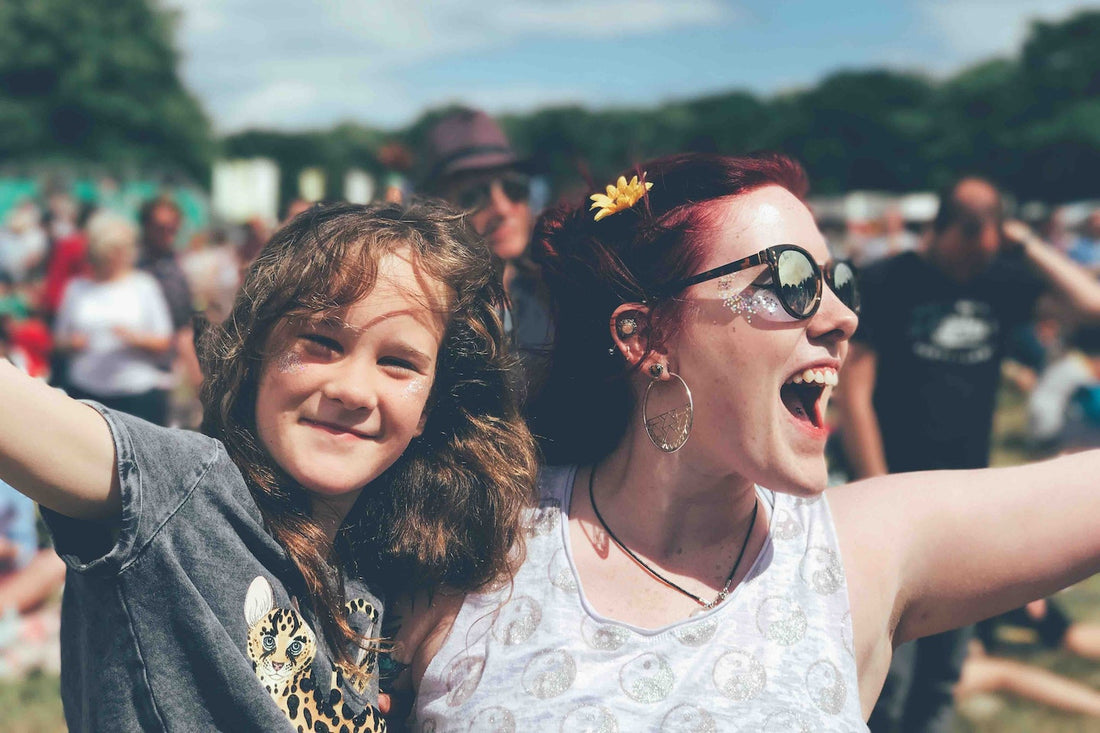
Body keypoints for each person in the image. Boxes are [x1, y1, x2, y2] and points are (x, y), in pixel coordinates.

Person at [388, 153, 1100, 731]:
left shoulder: (855, 554)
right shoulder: (478, 540)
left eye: (836, 280)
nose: (842, 316)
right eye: (789, 280)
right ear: (646, 336)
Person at [0, 200, 536, 731]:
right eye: (322, 342)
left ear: (428, 410)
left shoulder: (382, 580)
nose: (352, 390)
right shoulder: (182, 495)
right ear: (256, 357)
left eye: (398, 363)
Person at [836, 177, 1100, 733]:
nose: (971, 263)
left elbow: (1091, 304)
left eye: (986, 248)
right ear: (941, 230)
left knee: (941, 675)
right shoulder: (890, 279)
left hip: (965, 500)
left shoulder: (999, 279)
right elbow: (855, 391)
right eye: (965, 245)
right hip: (896, 494)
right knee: (887, 675)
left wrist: (1025, 244)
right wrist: (878, 490)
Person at [420, 108, 553, 392]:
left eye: (514, 188)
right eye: (473, 196)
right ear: (437, 208)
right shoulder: (429, 310)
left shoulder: (557, 291)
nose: (503, 208)